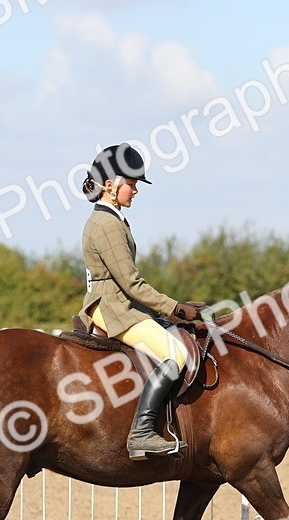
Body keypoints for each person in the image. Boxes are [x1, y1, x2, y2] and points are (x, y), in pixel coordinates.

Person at [76, 143, 205, 460]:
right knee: (175, 353)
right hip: (113, 308)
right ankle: (142, 433)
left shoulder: (114, 219)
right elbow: (131, 283)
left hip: (120, 303)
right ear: (110, 185)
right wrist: (174, 307)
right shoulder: (106, 224)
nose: (135, 190)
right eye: (131, 184)